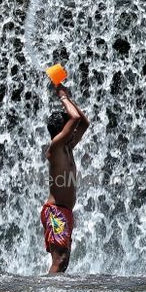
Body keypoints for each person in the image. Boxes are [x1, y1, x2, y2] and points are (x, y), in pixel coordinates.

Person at [42, 82, 89, 273]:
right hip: (56, 212)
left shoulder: (67, 147)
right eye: (70, 129)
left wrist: (68, 98)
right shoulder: (56, 147)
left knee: (64, 260)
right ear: (62, 131)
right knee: (59, 259)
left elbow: (83, 122)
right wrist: (62, 96)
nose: (74, 132)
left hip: (64, 212)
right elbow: (75, 117)